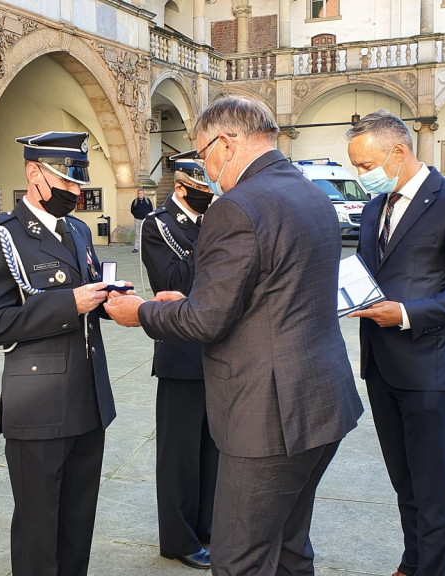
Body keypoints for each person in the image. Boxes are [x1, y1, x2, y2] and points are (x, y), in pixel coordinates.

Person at [106, 95, 363, 576]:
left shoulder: (237, 207)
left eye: (204, 155)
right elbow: (268, 294)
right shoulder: (310, 193)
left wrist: (140, 312)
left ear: (226, 144)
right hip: (322, 401)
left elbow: (207, 320)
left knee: (239, 558)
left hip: (267, 416)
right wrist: (184, 303)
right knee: (289, 547)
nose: (206, 170)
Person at [345, 110, 445, 576]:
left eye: (366, 165)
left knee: (432, 488)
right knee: (404, 482)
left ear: (398, 152)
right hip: (380, 366)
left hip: (431, 368)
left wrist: (408, 313)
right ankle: (412, 563)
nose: (360, 175)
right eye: (355, 166)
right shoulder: (375, 207)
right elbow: (371, 271)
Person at [0, 131, 116, 576]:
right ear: (34, 173)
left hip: (89, 397)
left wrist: (116, 302)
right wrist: (70, 303)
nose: (75, 190)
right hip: (39, 406)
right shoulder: (1, 235)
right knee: (38, 528)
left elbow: (89, 294)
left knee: (78, 522)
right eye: (66, 181)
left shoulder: (78, 230)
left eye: (77, 182)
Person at [140, 151, 218, 570]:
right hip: (180, 353)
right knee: (179, 455)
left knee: (213, 449)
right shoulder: (159, 225)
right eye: (203, 189)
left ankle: (207, 527)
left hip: (216, 350)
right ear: (182, 187)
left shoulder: (210, 222)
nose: (210, 196)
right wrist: (213, 239)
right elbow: (175, 282)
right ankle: (178, 538)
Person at [130, 187, 152, 252]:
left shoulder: (147, 201)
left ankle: (146, 248)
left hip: (146, 220)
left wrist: (148, 217)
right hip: (137, 220)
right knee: (137, 234)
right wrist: (136, 215)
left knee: (146, 233)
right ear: (137, 194)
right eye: (139, 193)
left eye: (141, 193)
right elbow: (132, 210)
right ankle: (136, 248)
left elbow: (151, 209)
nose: (140, 194)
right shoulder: (135, 201)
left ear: (143, 194)